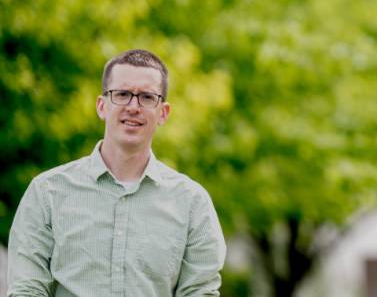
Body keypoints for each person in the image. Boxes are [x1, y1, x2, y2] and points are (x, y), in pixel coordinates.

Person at [6, 49, 226, 297]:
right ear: (102, 106)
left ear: (163, 112)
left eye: (146, 97)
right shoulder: (47, 192)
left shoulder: (192, 203)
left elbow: (200, 292)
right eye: (122, 94)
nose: (133, 107)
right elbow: (27, 290)